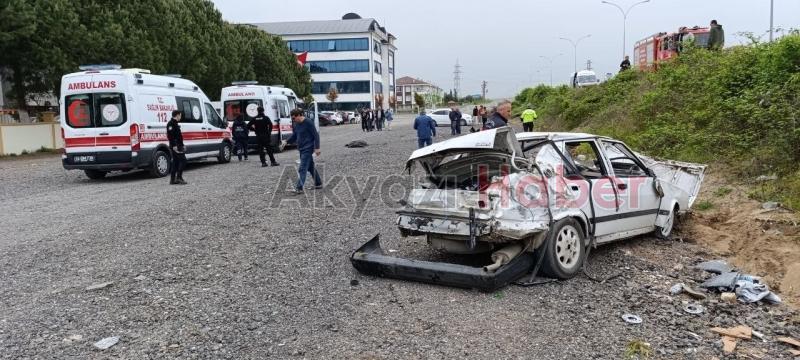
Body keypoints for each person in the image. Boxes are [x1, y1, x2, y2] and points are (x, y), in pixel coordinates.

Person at [286, 108, 322, 194]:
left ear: (299, 115)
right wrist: (286, 142)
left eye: (294, 118)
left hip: (308, 148)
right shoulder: (296, 124)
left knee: (302, 168)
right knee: (310, 167)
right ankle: (318, 183)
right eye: (292, 118)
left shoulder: (308, 122)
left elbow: (316, 135)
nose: (293, 120)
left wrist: (317, 148)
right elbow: (295, 135)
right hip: (301, 149)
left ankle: (299, 188)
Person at [166, 110, 187, 185]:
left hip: (179, 145)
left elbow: (178, 136)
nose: (180, 117)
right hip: (176, 146)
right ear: (177, 115)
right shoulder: (171, 124)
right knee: (183, 160)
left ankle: (172, 180)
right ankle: (179, 177)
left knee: (175, 162)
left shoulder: (175, 123)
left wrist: (182, 144)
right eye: (180, 115)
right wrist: (174, 145)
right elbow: (170, 136)